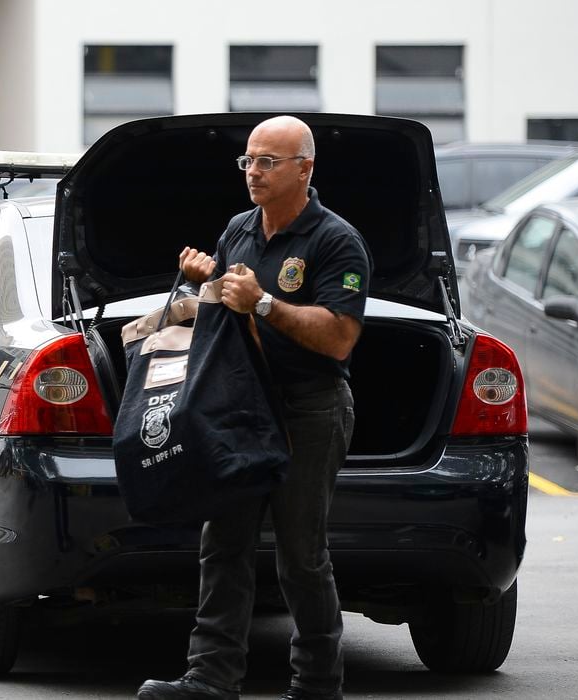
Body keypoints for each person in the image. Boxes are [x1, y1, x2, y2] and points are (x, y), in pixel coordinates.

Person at [138, 116, 371, 700]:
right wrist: (202, 282)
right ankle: (210, 679)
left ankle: (318, 685)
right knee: (223, 541)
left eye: (268, 161)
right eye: (248, 161)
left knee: (301, 556)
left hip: (309, 411)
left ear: (305, 169)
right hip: (241, 409)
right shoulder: (239, 230)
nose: (254, 172)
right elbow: (222, 308)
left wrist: (265, 303)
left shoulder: (335, 240)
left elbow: (340, 335)